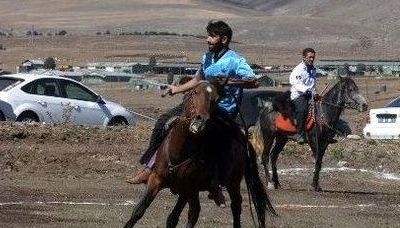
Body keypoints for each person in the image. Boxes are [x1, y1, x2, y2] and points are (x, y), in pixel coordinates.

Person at [126, 20, 258, 206]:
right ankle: (150, 166)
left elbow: (254, 81)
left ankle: (216, 184)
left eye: (212, 36)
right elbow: (198, 79)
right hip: (198, 103)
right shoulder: (207, 57)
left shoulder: (235, 60)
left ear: (224, 39)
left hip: (222, 109)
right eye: (208, 35)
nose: (208, 40)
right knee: (164, 120)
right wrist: (176, 89)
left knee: (216, 138)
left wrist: (229, 82)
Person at [289, 48, 317, 144]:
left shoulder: (313, 70)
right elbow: (296, 84)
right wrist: (307, 90)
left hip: (310, 94)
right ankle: (299, 134)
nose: (312, 59)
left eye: (313, 57)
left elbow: (313, 84)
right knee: (303, 109)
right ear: (304, 57)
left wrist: (314, 92)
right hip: (299, 95)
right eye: (310, 57)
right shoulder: (298, 70)